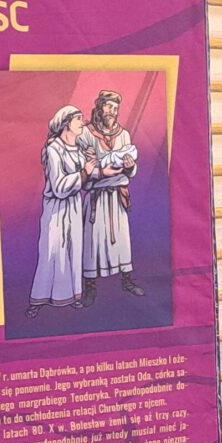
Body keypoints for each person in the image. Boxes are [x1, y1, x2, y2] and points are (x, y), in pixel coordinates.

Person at [25, 105, 91, 315]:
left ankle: (72, 296)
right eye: (78, 119)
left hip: (74, 206)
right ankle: (39, 300)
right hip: (56, 209)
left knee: (73, 250)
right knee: (53, 251)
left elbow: (86, 181)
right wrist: (84, 173)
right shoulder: (54, 148)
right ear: (66, 123)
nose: (82, 122)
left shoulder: (78, 149)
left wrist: (93, 171)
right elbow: (59, 187)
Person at [79, 89, 142, 303]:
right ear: (99, 107)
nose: (112, 111)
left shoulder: (124, 135)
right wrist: (101, 172)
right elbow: (85, 167)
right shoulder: (86, 133)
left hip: (116, 197)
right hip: (96, 198)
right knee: (93, 242)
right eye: (108, 106)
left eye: (115, 108)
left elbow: (129, 169)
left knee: (121, 239)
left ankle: (127, 280)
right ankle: (90, 287)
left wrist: (129, 166)